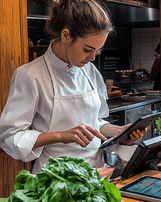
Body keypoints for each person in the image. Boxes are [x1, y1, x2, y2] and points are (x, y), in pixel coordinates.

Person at [0, 0, 146, 179]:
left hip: (96, 176)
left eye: (97, 51)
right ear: (65, 36)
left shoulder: (89, 71)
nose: (92, 58)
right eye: (87, 49)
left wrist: (121, 132)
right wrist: (60, 135)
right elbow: (10, 137)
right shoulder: (30, 75)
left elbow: (94, 122)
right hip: (56, 181)